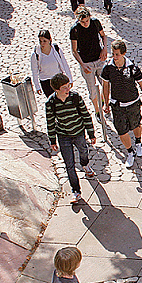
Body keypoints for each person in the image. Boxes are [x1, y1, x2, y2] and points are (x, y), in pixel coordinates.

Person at [101, 40, 142, 169]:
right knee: (121, 131)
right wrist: (105, 103)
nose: (115, 57)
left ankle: (138, 142)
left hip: (133, 103)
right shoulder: (108, 68)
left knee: (136, 125)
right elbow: (105, 86)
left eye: (117, 54)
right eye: (113, 54)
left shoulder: (132, 68)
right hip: (117, 105)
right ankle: (130, 151)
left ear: (124, 54)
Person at [46, 74, 96, 203]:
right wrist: (52, 141)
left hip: (79, 132)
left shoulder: (75, 97)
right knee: (69, 165)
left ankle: (85, 165)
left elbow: (85, 115)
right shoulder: (51, 103)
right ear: (56, 90)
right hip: (63, 136)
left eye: (69, 85)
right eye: (64, 87)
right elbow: (50, 123)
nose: (68, 89)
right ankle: (76, 191)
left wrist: (91, 134)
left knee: (83, 152)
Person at [70, 5, 107, 119]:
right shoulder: (75, 29)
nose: (86, 24)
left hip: (99, 59)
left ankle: (103, 102)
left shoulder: (95, 23)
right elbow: (74, 50)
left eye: (87, 21)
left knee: (106, 83)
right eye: (83, 22)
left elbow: (103, 36)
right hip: (87, 63)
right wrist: (82, 64)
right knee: (92, 90)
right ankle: (97, 111)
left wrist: (104, 48)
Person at [32, 32, 73, 96]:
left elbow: (65, 64)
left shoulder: (56, 50)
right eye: (40, 41)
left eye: (44, 41)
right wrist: (37, 86)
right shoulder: (36, 54)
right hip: (46, 82)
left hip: (58, 79)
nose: (42, 43)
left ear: (50, 40)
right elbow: (34, 71)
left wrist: (70, 79)